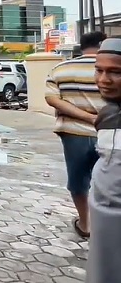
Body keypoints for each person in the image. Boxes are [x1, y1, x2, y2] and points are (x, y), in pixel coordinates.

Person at [45, 30, 107, 238]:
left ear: (81, 46)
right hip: (111, 133)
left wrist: (86, 117)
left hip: (73, 133)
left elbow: (52, 99)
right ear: (103, 45)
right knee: (111, 180)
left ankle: (86, 224)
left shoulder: (60, 69)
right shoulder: (113, 67)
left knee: (78, 179)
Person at [87, 37, 121, 283]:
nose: (103, 80)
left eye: (115, 72)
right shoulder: (110, 113)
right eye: (99, 70)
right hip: (104, 225)